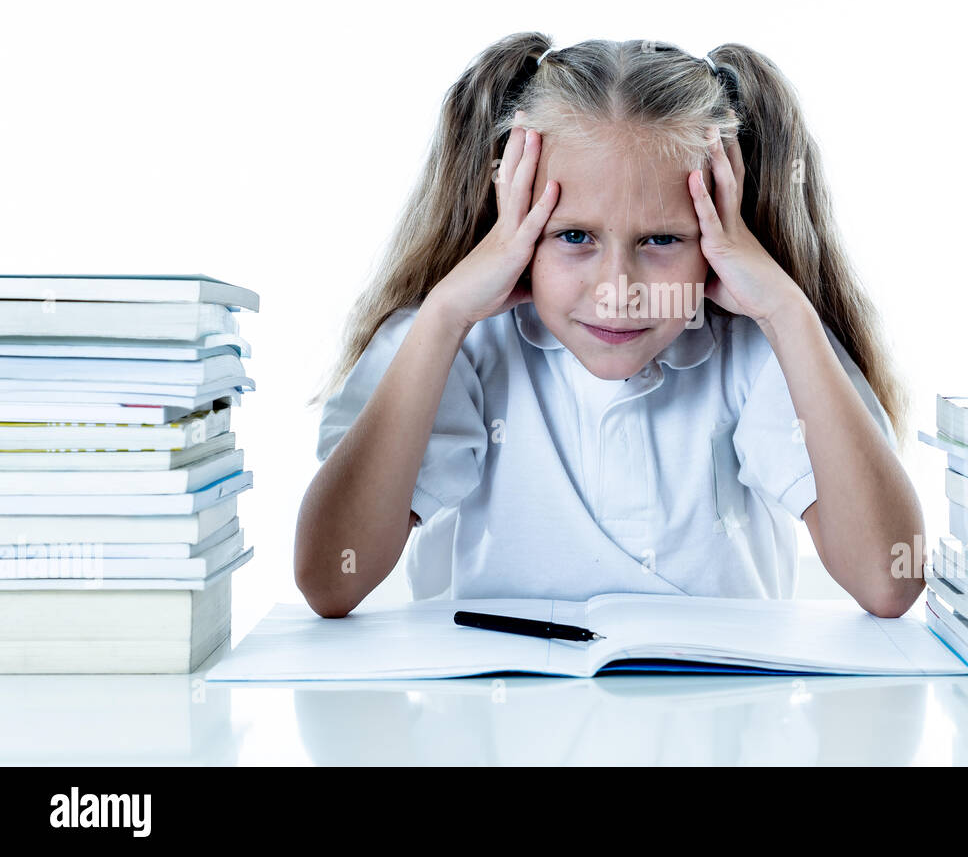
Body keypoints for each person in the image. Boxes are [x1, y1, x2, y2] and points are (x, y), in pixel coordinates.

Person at [296, 33, 924, 618]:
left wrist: (789, 312)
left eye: (661, 239)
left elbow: (888, 581)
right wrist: (443, 316)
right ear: (509, 225)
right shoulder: (454, 342)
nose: (617, 289)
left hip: (719, 723)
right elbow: (330, 578)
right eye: (573, 236)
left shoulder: (764, 346)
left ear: (721, 237)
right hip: (494, 730)